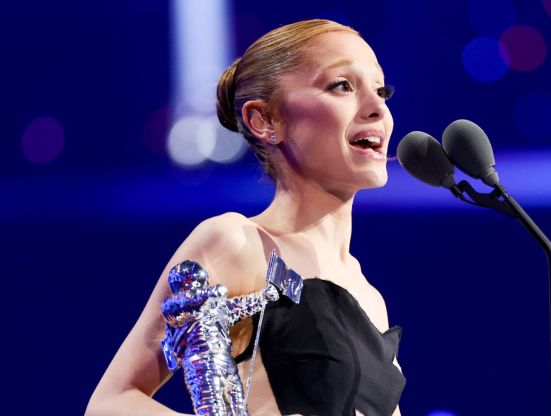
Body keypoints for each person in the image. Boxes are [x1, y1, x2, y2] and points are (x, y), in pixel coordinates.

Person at [86, 19, 404, 416]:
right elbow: (111, 403)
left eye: (381, 90)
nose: (378, 109)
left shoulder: (368, 294)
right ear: (264, 120)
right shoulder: (236, 242)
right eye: (342, 85)